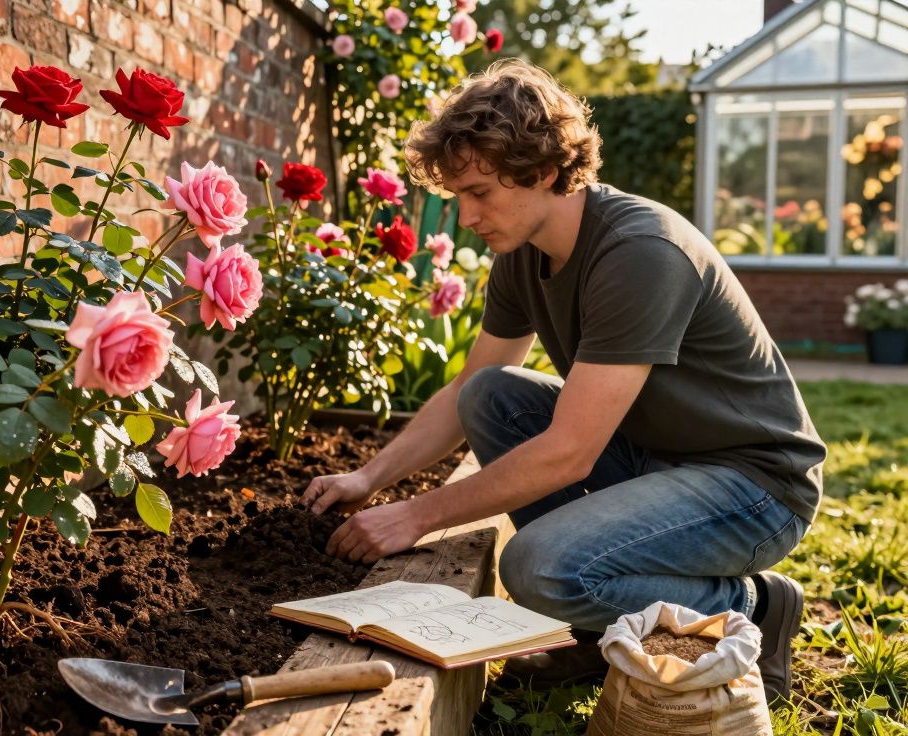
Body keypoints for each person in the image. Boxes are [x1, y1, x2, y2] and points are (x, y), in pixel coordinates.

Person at [300, 59, 824, 703]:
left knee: (538, 567)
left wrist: (417, 515)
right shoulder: (522, 255)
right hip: (659, 463)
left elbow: (571, 451)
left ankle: (755, 604)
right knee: (488, 395)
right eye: (456, 195)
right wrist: (368, 478)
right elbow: (469, 388)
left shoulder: (640, 253)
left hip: (754, 486)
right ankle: (592, 630)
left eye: (479, 193)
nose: (465, 217)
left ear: (544, 171)